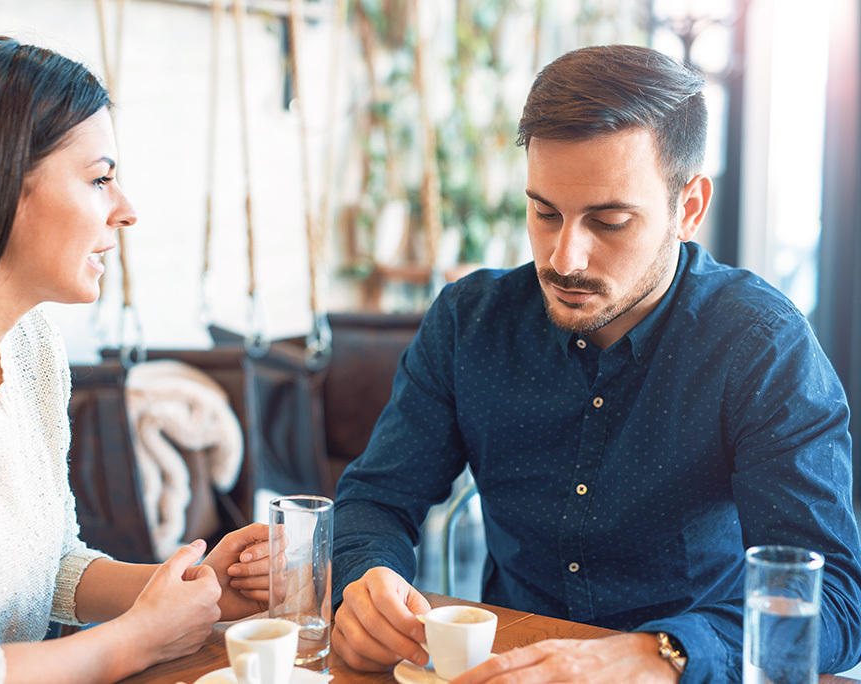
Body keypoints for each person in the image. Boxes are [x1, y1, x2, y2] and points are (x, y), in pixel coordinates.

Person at [331, 44, 861, 683]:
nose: (564, 258)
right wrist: (366, 583)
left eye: (608, 221)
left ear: (688, 208)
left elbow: (831, 600)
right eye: (543, 212)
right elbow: (376, 498)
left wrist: (657, 653)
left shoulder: (762, 346)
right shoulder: (467, 323)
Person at [0, 37, 269, 684]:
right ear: (2, 183)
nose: (126, 210)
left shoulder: (33, 344)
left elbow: (54, 565)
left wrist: (193, 591)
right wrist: (138, 640)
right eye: (100, 179)